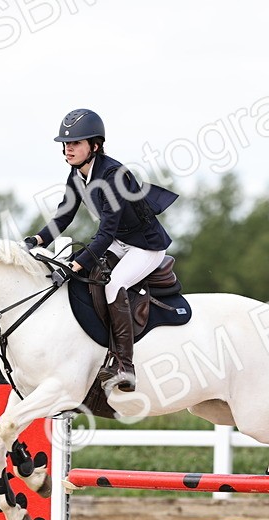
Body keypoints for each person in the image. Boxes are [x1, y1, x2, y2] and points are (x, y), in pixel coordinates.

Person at [25, 109, 178, 392]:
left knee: (114, 284)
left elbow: (104, 233)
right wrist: (36, 240)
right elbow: (64, 215)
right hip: (120, 241)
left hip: (145, 246)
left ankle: (124, 366)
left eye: (76, 143)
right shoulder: (77, 174)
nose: (68, 149)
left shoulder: (112, 176)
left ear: (94, 146)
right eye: (66, 144)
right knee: (90, 278)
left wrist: (75, 265)